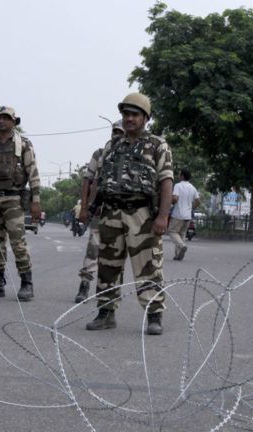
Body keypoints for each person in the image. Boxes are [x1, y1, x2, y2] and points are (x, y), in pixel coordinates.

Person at [85, 93, 173, 335]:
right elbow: (97, 179)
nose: (129, 118)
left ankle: (154, 316)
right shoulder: (112, 146)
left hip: (141, 214)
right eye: (126, 114)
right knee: (107, 266)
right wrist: (89, 208)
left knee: (148, 267)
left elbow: (166, 181)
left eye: (134, 114)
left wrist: (163, 217)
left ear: (145, 118)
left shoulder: (157, 145)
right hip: (110, 213)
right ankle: (106, 313)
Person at [0, 106, 41, 301]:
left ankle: (27, 284)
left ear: (14, 121)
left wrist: (36, 201)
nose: (1, 121)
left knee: (18, 243)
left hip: (14, 198)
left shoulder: (24, 144)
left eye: (6, 118)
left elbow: (33, 173)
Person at [74, 120, 124, 303]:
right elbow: (87, 180)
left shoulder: (135, 154)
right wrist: (84, 207)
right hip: (100, 209)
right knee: (93, 249)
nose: (117, 135)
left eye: (121, 132)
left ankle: (111, 292)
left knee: (117, 252)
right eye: (115, 131)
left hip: (124, 211)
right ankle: (85, 285)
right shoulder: (100, 153)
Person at [168, 168, 200, 261]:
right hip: (188, 215)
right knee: (182, 234)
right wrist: (191, 208)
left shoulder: (178, 185)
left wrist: (171, 202)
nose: (178, 176)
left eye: (179, 174)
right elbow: (198, 201)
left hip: (178, 214)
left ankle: (182, 246)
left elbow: (175, 198)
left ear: (182, 176)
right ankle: (178, 255)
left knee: (172, 231)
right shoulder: (193, 187)